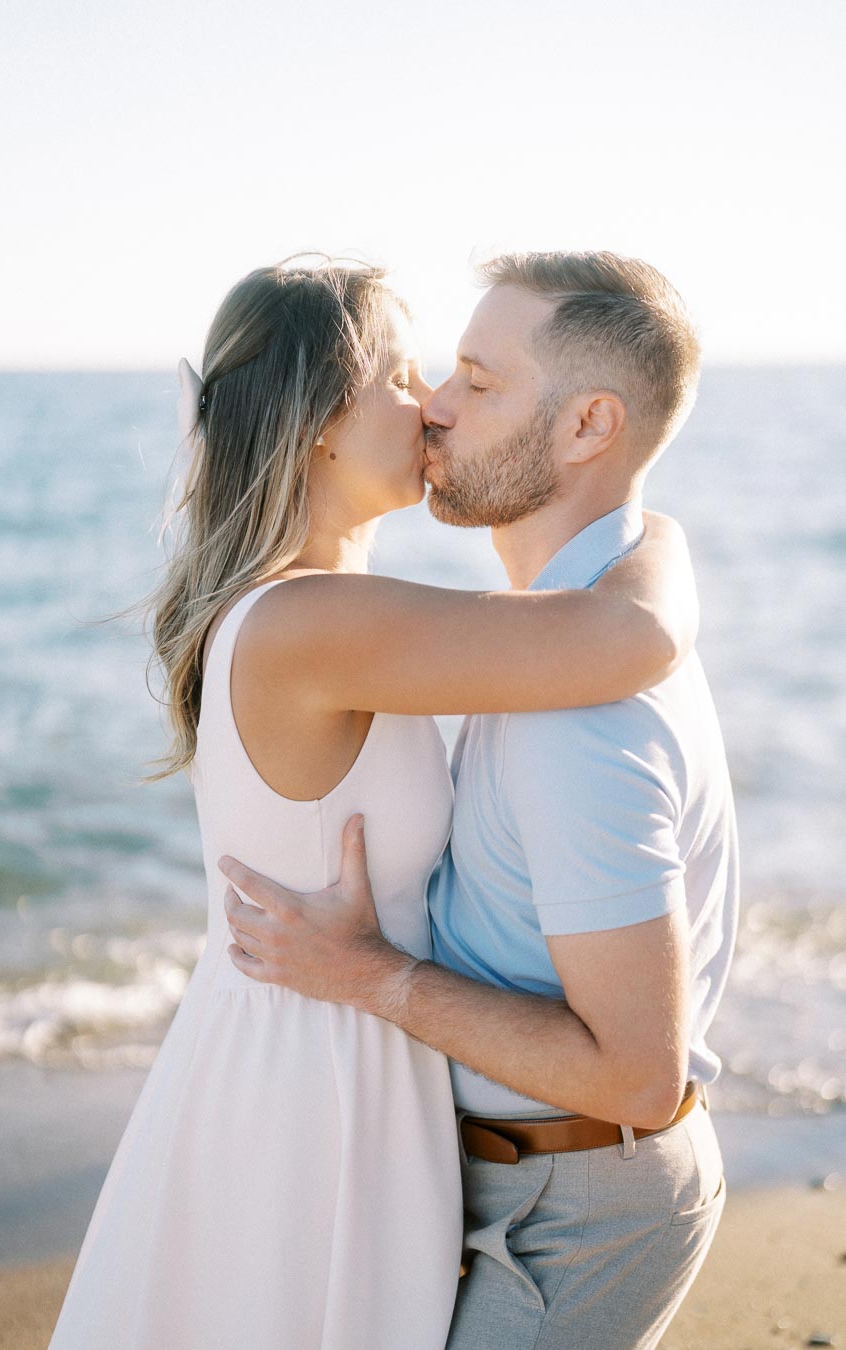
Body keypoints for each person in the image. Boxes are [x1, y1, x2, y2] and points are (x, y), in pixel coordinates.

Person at [48, 256, 699, 1350]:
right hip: (313, 1086)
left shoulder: (319, 617)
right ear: (318, 426)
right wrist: (662, 532)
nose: (435, 403)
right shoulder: (307, 626)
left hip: (331, 1054)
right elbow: (626, 639)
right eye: (402, 376)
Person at [220, 252, 739, 1349]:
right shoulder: (550, 643)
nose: (438, 411)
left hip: (569, 1203)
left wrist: (377, 979)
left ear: (589, 425)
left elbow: (641, 1076)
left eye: (476, 381)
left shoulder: (579, 708)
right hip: (521, 1183)